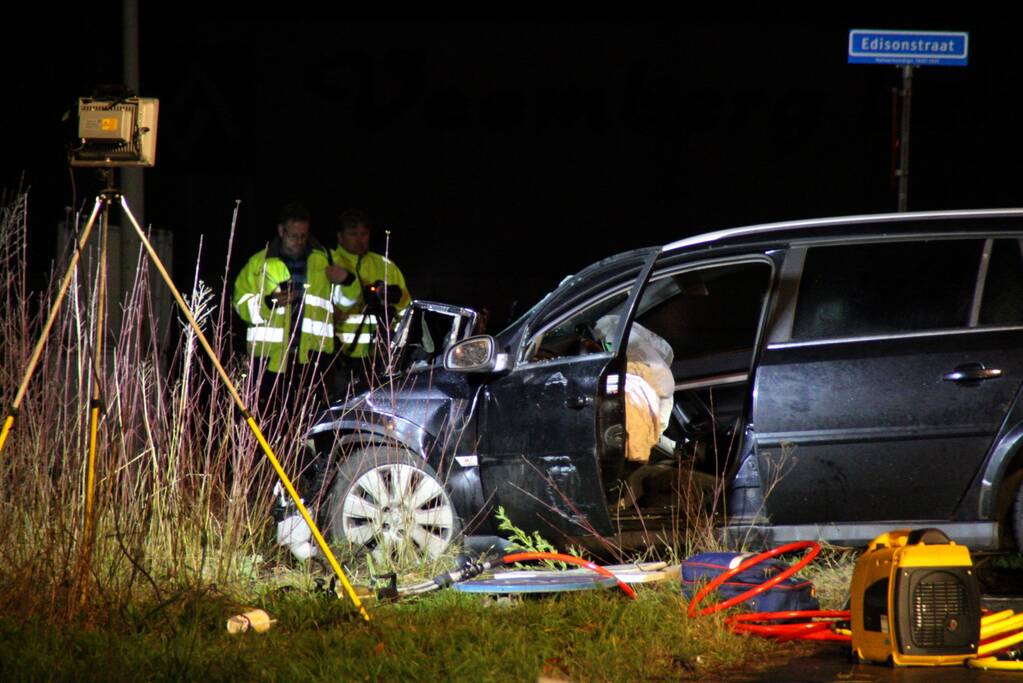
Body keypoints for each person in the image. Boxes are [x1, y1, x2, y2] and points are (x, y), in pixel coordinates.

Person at [233, 203, 339, 409]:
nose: (300, 241)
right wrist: (267, 304)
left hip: (312, 358)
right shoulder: (259, 264)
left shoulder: (324, 261)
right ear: (281, 231)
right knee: (268, 418)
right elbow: (239, 304)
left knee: (309, 419)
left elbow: (339, 304)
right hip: (268, 359)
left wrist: (347, 280)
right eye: (294, 236)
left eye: (304, 235)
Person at [327, 209, 411, 388]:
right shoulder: (329, 262)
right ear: (340, 236)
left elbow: (406, 310)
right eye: (353, 234)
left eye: (363, 234)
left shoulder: (385, 266)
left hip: (379, 357)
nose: (359, 239)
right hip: (340, 356)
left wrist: (397, 345)